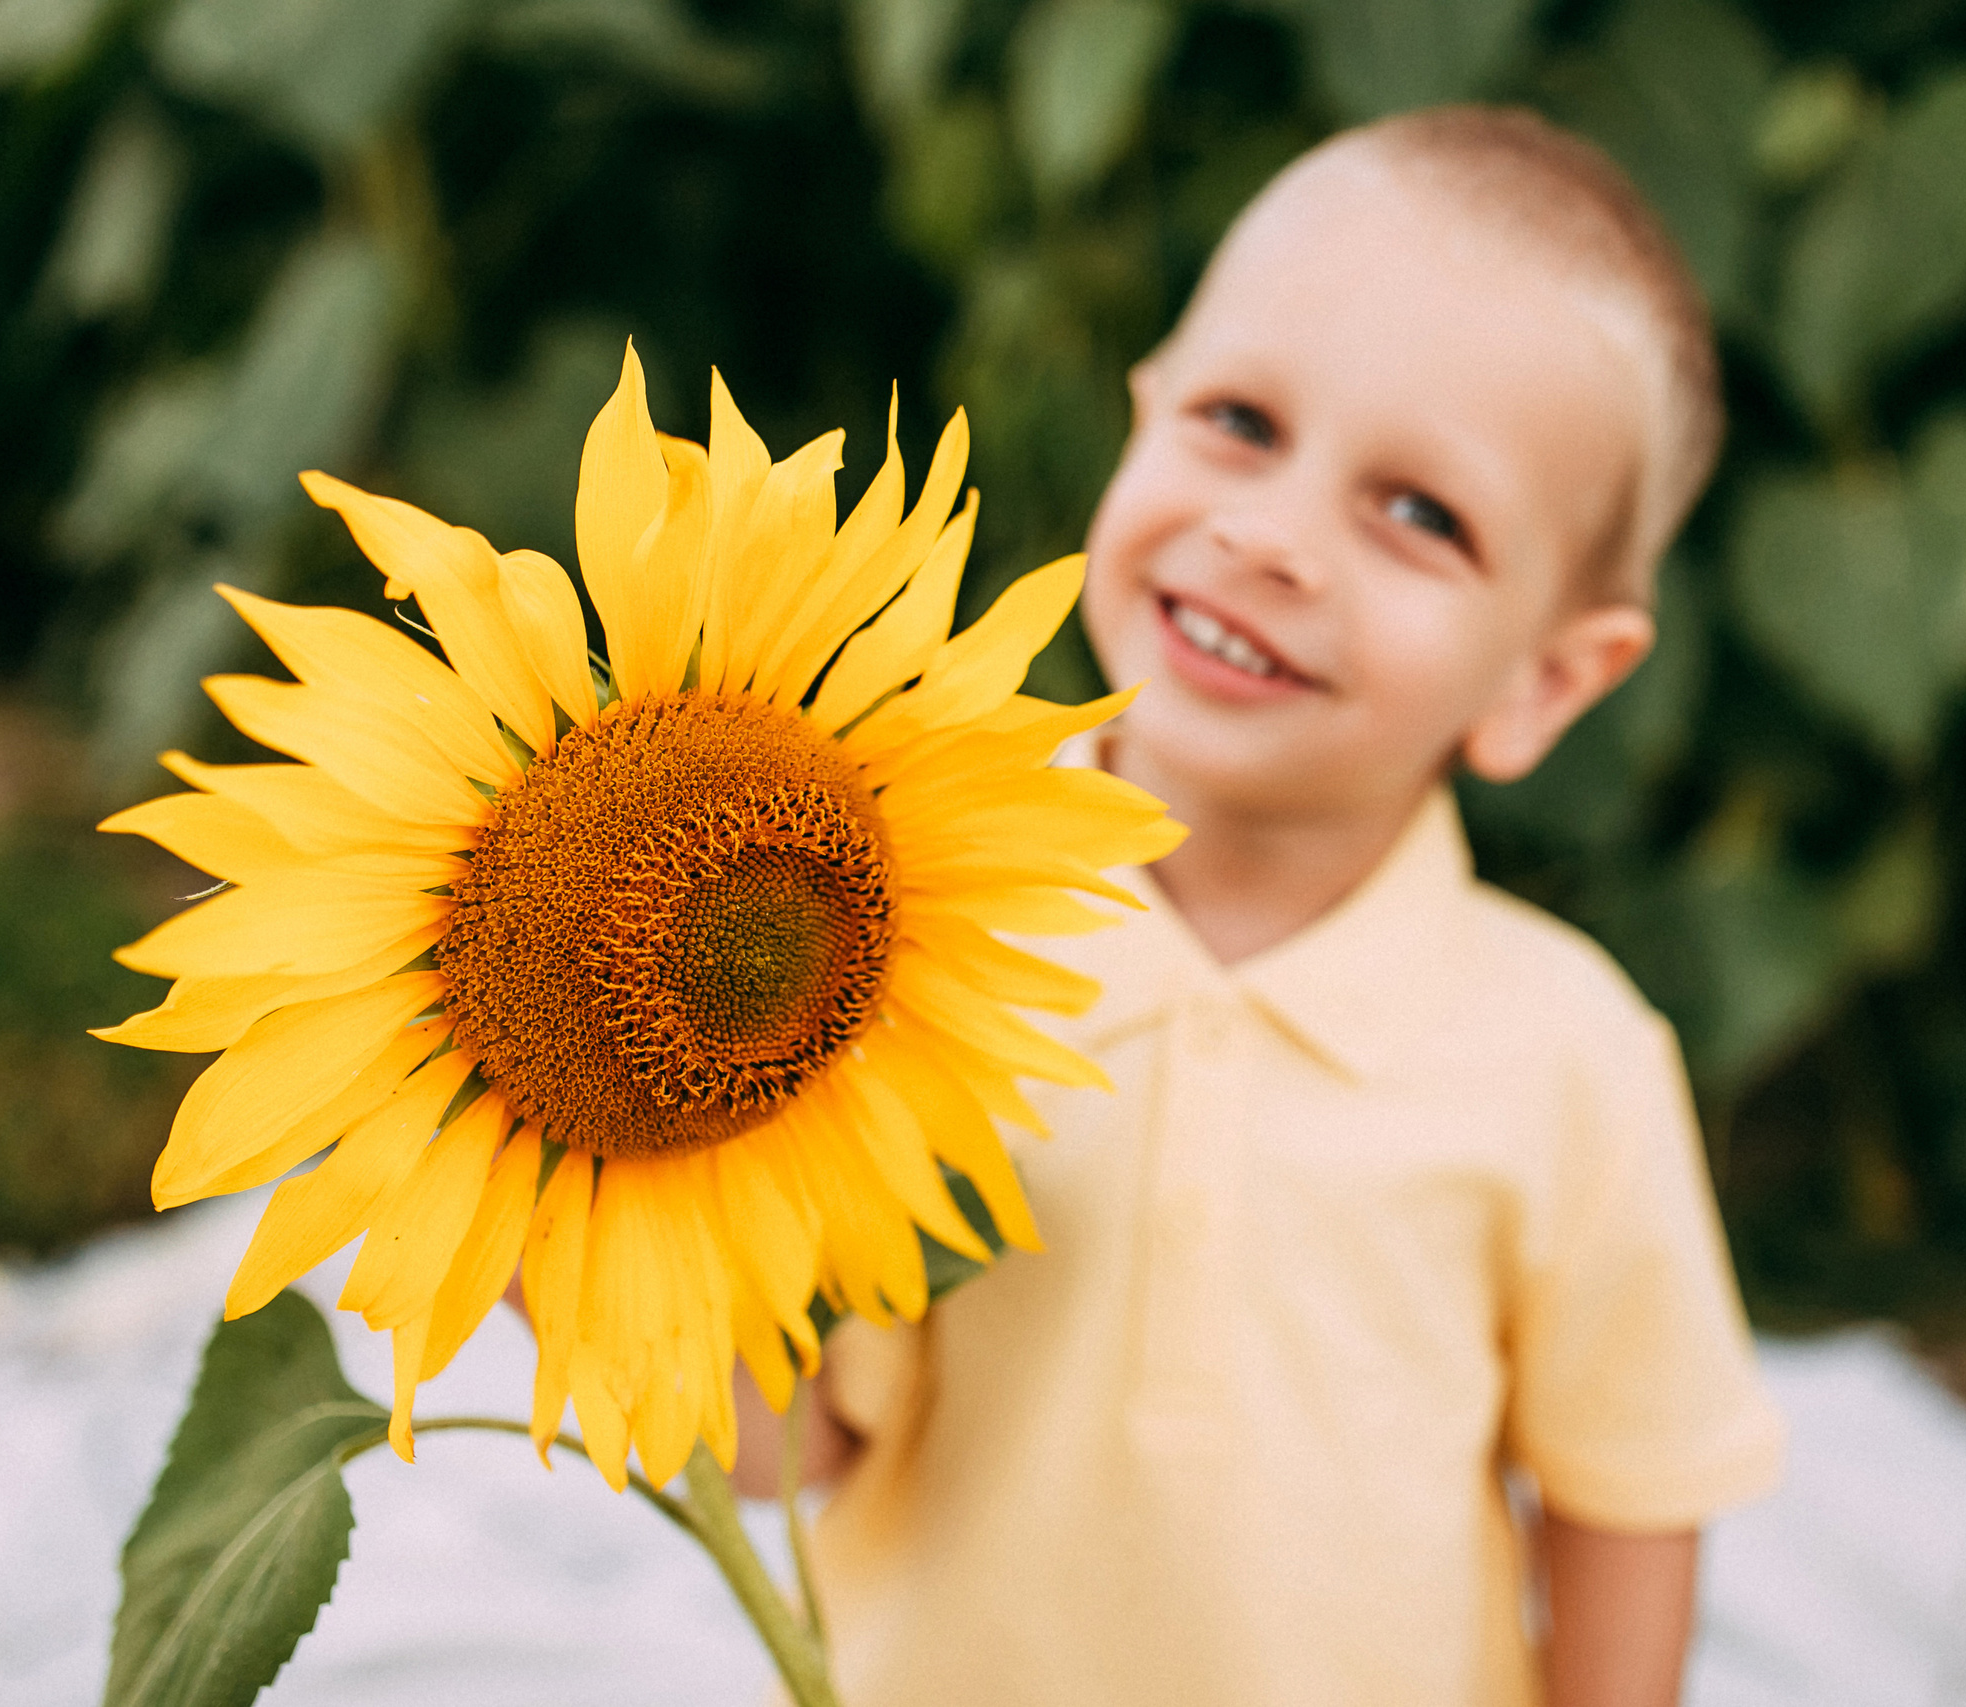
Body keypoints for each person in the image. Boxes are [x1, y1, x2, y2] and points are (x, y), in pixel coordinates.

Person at [741, 104, 1783, 1707]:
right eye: (1238, 420)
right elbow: (791, 1441)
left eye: (1421, 514)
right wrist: (567, 1206)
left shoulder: (1564, 1054)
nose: (1270, 537)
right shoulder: (910, 942)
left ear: (1544, 681)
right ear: (1141, 410)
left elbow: (1629, 1492)